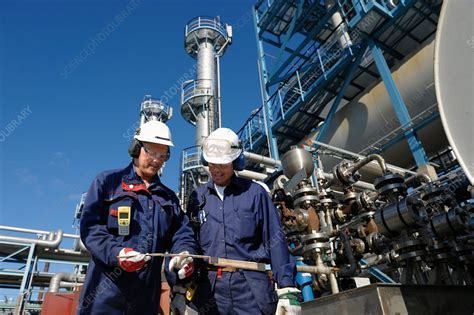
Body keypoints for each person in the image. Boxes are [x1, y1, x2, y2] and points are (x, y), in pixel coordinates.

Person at [78, 120, 197, 314]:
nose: (157, 160)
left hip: (144, 300)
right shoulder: (108, 183)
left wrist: (183, 253)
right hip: (104, 295)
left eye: (163, 154)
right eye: (151, 152)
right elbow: (91, 228)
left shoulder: (168, 198)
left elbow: (181, 232)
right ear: (136, 148)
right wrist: (117, 252)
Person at [186, 128, 301, 314]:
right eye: (212, 163)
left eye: (222, 164)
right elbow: (189, 240)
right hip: (211, 290)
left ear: (236, 162)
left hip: (250, 289)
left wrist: (286, 287)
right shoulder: (197, 198)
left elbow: (275, 239)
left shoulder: (255, 193)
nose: (215, 169)